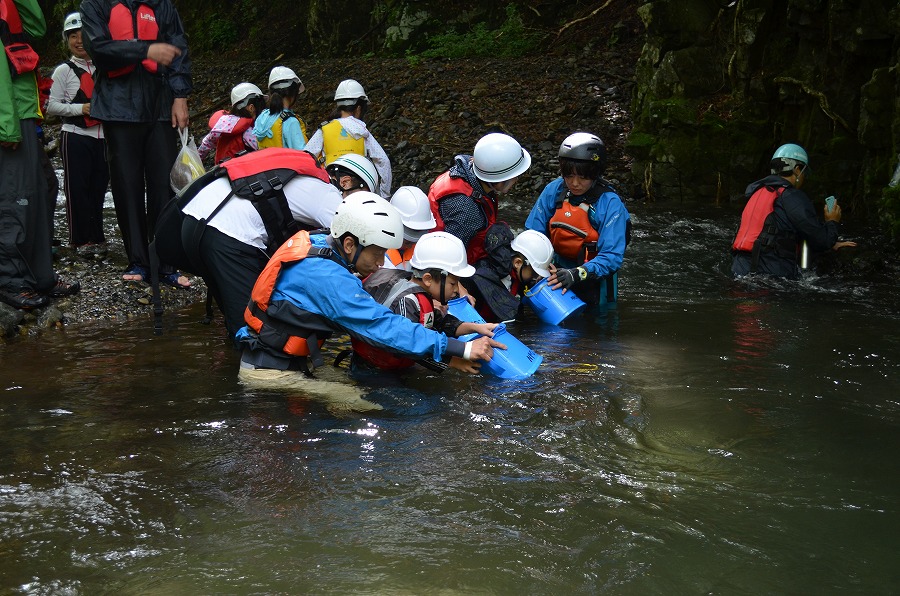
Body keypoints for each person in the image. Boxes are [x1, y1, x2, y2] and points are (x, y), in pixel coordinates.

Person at [235, 192, 503, 387]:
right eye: (376, 253)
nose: (379, 262)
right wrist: (462, 349)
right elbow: (380, 325)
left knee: (351, 388)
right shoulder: (327, 276)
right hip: (268, 371)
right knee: (368, 406)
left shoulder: (318, 244)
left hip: (279, 359)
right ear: (350, 244)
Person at [79, 0, 192, 287]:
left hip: (159, 106)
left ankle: (165, 261)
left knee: (163, 185)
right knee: (127, 186)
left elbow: (178, 45)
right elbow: (99, 49)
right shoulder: (95, 5)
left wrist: (180, 95)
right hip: (118, 107)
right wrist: (144, 49)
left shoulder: (161, 4)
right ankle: (139, 261)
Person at [178, 148, 341, 341]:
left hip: (192, 221)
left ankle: (232, 365)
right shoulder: (328, 195)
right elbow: (356, 235)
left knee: (236, 323)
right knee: (255, 331)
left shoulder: (296, 171)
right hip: (228, 233)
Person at [0, 0, 79, 310]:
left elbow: (36, 26)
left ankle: (40, 275)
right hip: (9, 121)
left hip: (23, 114)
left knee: (38, 196)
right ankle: (11, 280)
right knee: (14, 201)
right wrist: (6, 127)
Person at [352, 231, 497, 373]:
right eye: (453, 283)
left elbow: (437, 323)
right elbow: (409, 346)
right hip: (374, 371)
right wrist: (453, 361)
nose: (456, 291)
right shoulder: (407, 300)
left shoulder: (421, 293)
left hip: (395, 366)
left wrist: (476, 327)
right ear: (428, 279)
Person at [428, 132, 532, 322]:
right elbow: (446, 254)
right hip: (449, 265)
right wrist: (458, 287)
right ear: (498, 178)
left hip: (470, 250)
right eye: (514, 176)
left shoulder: (471, 172)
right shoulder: (466, 210)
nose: (516, 180)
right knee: (506, 308)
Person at [525, 132, 630, 307]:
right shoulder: (554, 190)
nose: (574, 183)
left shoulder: (610, 204)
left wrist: (577, 273)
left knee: (593, 330)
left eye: (582, 177)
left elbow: (611, 256)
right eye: (569, 175)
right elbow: (533, 235)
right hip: (555, 274)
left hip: (594, 280)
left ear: (596, 173)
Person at [731, 143, 856, 278]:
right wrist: (832, 221)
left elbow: (782, 230)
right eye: (804, 172)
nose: (804, 177)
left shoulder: (757, 192)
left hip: (739, 269)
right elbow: (820, 239)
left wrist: (828, 243)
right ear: (797, 170)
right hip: (771, 274)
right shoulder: (791, 196)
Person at [46, 11, 109, 253]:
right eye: (72, 36)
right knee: (76, 189)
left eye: (83, 35)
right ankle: (80, 240)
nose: (79, 41)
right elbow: (51, 106)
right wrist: (80, 107)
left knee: (99, 188)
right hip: (74, 135)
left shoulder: (104, 67)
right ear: (66, 40)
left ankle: (97, 237)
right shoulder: (64, 70)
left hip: (104, 137)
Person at [304, 79, 392, 198]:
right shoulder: (361, 130)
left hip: (332, 188)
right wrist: (384, 194)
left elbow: (306, 157)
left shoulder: (324, 129)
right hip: (359, 189)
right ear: (359, 108)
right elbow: (383, 161)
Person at [198, 82, 265, 165]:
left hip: (222, 171)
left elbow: (206, 144)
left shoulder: (221, 125)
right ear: (251, 108)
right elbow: (263, 150)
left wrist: (196, 162)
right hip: (242, 173)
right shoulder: (247, 132)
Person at [252, 66, 307, 150]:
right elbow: (302, 154)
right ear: (294, 92)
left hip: (266, 163)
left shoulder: (263, 116)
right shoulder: (291, 121)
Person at [384, 186, 436, 270]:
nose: (409, 246)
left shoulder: (424, 250)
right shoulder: (377, 250)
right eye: (407, 242)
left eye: (413, 242)